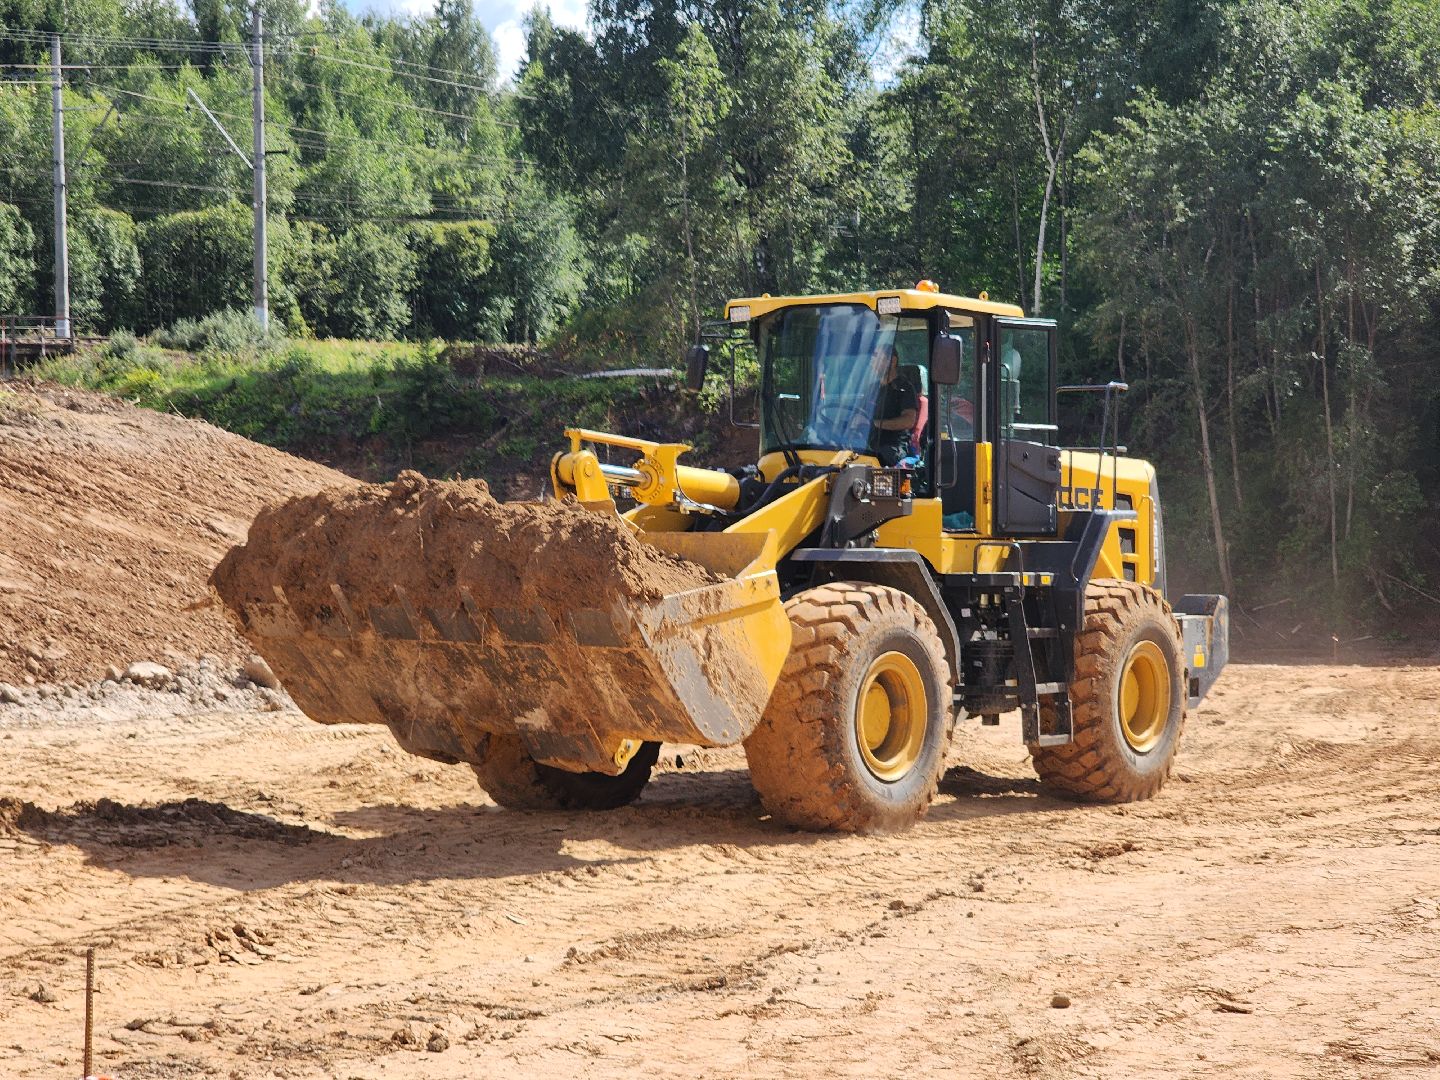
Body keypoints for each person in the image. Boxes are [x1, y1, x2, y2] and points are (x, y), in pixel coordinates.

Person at [868, 343, 918, 465]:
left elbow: (908, 421)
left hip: (893, 447)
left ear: (892, 360)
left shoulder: (904, 388)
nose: (871, 361)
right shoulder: (872, 389)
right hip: (869, 445)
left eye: (876, 356)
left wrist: (876, 424)